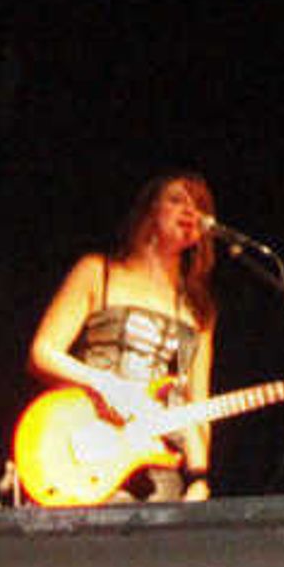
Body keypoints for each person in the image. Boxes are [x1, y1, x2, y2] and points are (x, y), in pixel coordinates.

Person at [21, 171, 220, 501]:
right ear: (149, 210)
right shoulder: (98, 271)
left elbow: (196, 405)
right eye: (177, 199)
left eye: (199, 205)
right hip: (90, 439)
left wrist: (199, 477)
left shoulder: (199, 308)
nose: (190, 210)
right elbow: (42, 352)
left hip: (157, 463)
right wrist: (104, 383)